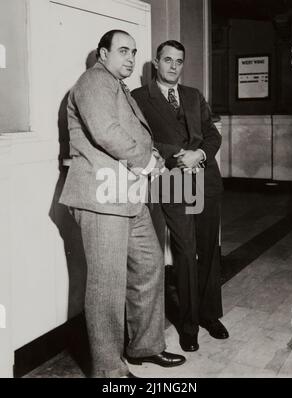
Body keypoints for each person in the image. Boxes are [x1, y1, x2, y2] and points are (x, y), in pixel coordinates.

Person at [59, 31, 185, 378]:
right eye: (123, 51)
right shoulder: (94, 82)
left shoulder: (117, 86)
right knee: (106, 287)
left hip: (125, 195)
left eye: (134, 52)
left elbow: (134, 135)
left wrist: (154, 155)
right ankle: (108, 372)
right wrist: (147, 162)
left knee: (149, 264)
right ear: (103, 53)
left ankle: (144, 346)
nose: (131, 58)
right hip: (101, 199)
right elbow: (106, 131)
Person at [132, 40, 229, 353]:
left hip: (205, 179)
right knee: (185, 251)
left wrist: (199, 153)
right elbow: (142, 140)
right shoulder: (139, 98)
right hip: (172, 180)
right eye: (168, 60)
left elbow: (213, 134)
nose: (174, 66)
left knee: (208, 249)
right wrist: (179, 155)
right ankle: (189, 326)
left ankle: (209, 314)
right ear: (156, 63)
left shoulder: (193, 95)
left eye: (179, 61)